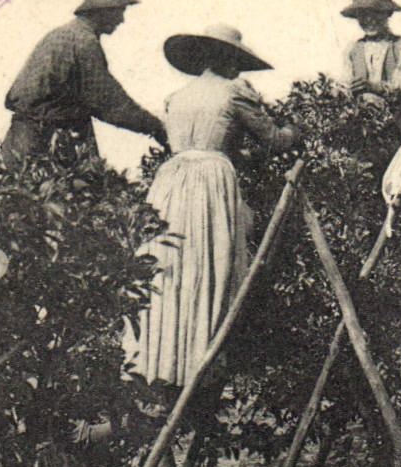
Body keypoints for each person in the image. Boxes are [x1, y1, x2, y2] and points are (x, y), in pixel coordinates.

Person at [124, 23, 299, 390]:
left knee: (171, 270)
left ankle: (161, 362)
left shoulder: (177, 96)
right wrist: (296, 132)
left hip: (170, 184)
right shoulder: (233, 93)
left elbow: (204, 139)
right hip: (210, 184)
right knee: (209, 263)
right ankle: (199, 362)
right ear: (226, 59)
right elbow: (273, 141)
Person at [1, 0, 165, 168]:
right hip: (47, 144)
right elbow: (109, 103)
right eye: (119, 10)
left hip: (19, 143)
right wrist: (156, 128)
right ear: (103, 9)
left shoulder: (61, 35)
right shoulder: (84, 42)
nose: (122, 19)